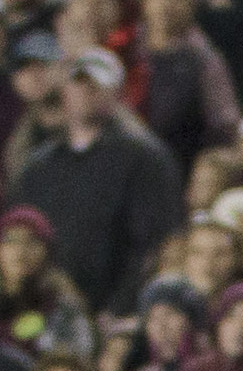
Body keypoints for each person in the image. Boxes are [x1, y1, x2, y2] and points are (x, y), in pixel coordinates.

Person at [9, 45, 183, 313]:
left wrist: (117, 310)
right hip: (44, 312)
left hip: (114, 311)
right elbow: (22, 237)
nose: (86, 92)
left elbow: (154, 244)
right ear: (65, 91)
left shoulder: (145, 159)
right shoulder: (39, 165)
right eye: (79, 83)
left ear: (118, 93)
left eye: (97, 84)